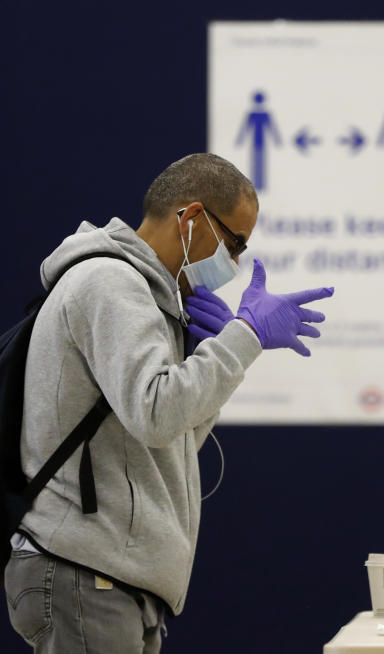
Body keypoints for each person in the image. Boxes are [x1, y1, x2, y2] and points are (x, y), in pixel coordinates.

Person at [3, 153, 333, 653]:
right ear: (193, 218)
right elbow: (157, 414)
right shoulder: (111, 283)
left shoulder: (152, 300)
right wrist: (243, 338)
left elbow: (173, 439)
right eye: (235, 242)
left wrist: (211, 354)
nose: (236, 262)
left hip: (117, 575)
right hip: (85, 567)